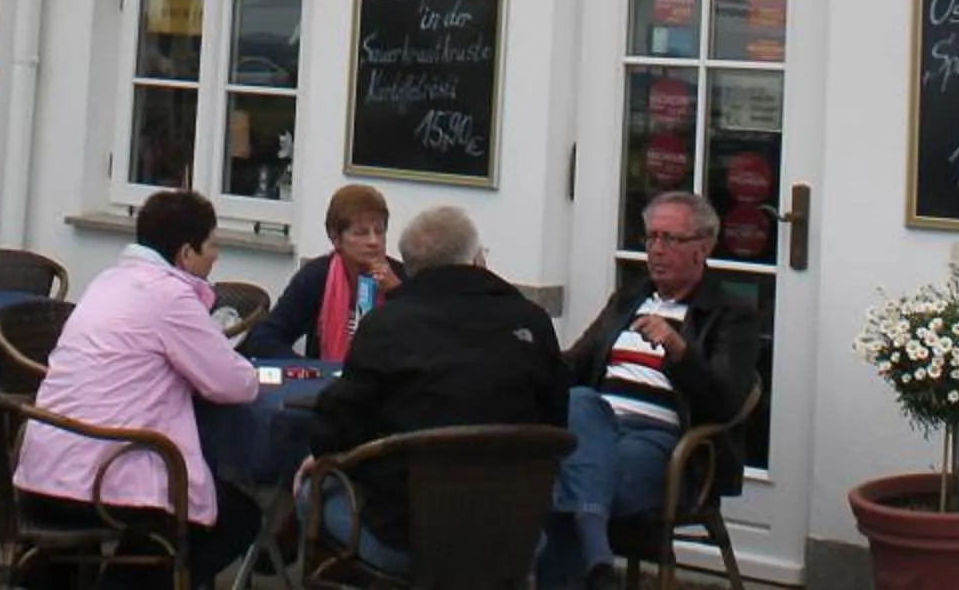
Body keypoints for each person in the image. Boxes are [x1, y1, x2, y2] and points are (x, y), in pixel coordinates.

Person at [16, 188, 261, 587]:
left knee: (170, 508)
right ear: (186, 254)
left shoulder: (106, 282)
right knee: (236, 517)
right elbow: (234, 384)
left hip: (42, 471)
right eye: (212, 244)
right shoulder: (170, 296)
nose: (217, 255)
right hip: (101, 482)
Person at [303, 204, 566, 571]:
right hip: (513, 534)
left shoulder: (386, 327)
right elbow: (556, 422)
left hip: (406, 539)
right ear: (476, 259)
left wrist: (325, 455)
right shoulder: (532, 321)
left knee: (308, 491)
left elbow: (336, 429)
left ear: (409, 270)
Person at [545, 191, 761, 588]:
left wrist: (680, 353)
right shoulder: (630, 298)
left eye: (670, 239)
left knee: (561, 482)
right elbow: (574, 364)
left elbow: (725, 402)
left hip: (663, 443)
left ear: (704, 247)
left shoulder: (731, 315)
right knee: (579, 402)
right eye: (650, 238)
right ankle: (596, 551)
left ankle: (590, 549)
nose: (656, 250)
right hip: (599, 429)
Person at [243, 181, 405, 360]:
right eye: (361, 233)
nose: (374, 241)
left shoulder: (402, 276)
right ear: (336, 238)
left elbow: (426, 344)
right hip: (329, 383)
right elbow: (264, 339)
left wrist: (398, 292)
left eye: (380, 231)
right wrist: (310, 371)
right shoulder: (316, 277)